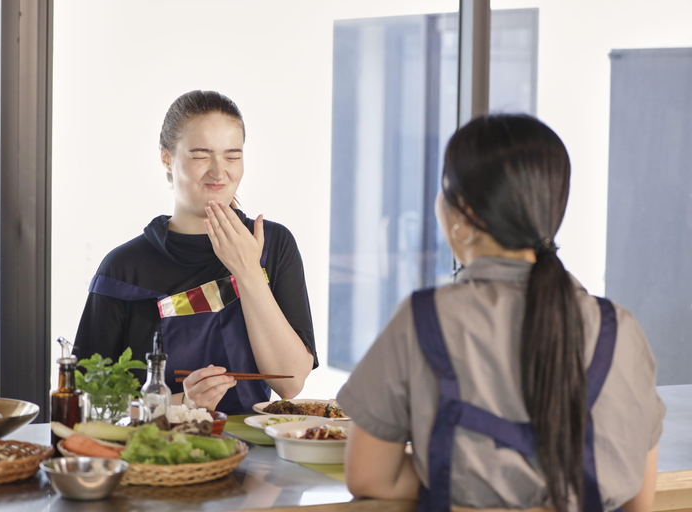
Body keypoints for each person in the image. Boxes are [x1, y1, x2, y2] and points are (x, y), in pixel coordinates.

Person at [337, 114, 664, 512]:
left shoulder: (424, 320)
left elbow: (371, 477)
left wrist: (454, 480)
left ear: (462, 218)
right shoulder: (620, 330)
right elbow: (639, 500)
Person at [74, 90, 317, 415]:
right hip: (155, 455)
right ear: (166, 158)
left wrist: (248, 273)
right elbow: (84, 404)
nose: (219, 172)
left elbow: (290, 383)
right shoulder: (123, 269)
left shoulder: (273, 244)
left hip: (256, 456)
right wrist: (180, 404)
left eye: (232, 156)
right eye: (201, 155)